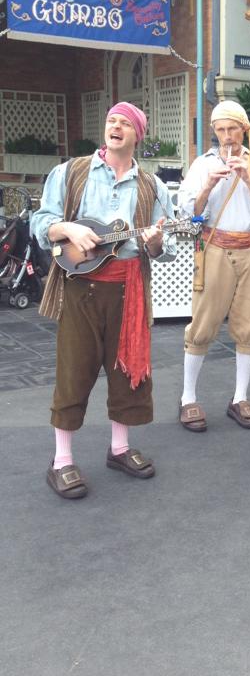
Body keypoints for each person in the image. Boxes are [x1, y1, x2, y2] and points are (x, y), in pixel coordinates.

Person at [32, 102, 177, 499]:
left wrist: (159, 241)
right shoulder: (71, 172)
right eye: (112, 120)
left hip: (129, 290)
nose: (115, 126)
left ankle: (119, 448)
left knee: (126, 369)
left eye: (125, 123)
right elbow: (40, 222)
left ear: (137, 136)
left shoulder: (153, 187)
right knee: (74, 371)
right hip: (79, 288)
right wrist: (68, 228)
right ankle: (61, 461)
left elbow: (170, 248)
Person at [177, 100, 250, 432]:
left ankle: (239, 397)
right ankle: (188, 398)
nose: (226, 137)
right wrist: (209, 183)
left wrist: (248, 179)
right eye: (220, 130)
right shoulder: (201, 164)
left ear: (244, 129)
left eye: (232, 129)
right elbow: (189, 213)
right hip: (216, 245)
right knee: (203, 322)